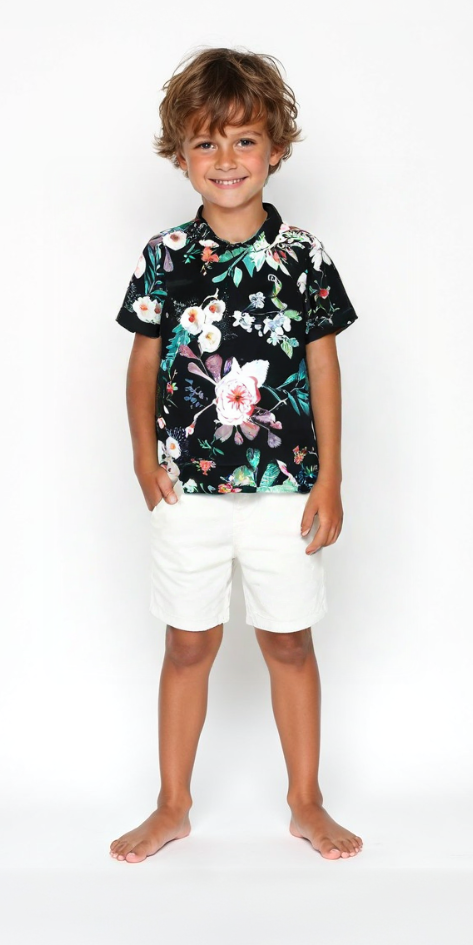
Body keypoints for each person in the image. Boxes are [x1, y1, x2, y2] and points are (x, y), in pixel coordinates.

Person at [110, 46, 362, 862]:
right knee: (188, 644)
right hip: (188, 490)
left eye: (245, 140)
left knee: (289, 641)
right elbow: (143, 363)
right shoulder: (165, 256)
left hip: (287, 490)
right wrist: (144, 461)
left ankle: (306, 800)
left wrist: (330, 477)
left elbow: (323, 365)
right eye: (207, 143)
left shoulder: (306, 256)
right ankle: (172, 805)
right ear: (181, 155)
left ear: (275, 149)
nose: (226, 159)